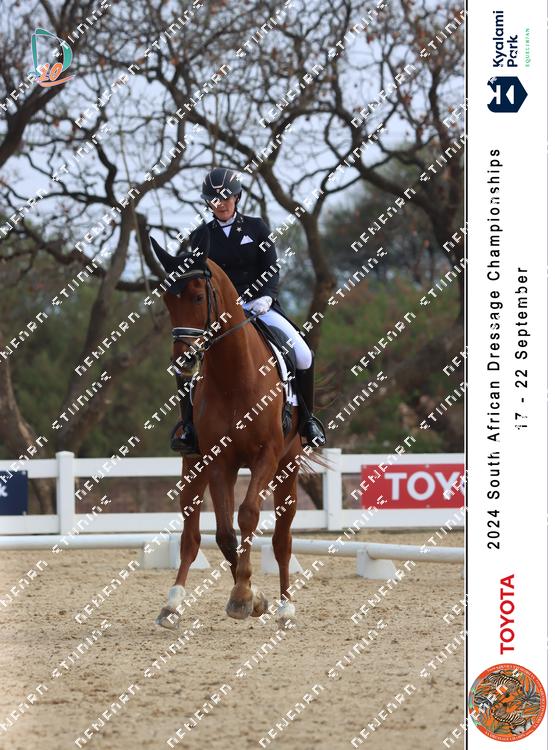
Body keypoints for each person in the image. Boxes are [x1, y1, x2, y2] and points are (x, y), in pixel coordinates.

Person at [172, 167, 326, 454]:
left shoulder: (257, 228)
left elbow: (271, 268)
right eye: (215, 200)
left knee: (303, 353)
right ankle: (189, 428)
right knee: (186, 360)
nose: (221, 204)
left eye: (226, 198)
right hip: (219, 316)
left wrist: (266, 297)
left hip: (260, 307)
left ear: (237, 197)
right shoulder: (201, 236)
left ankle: (307, 422)